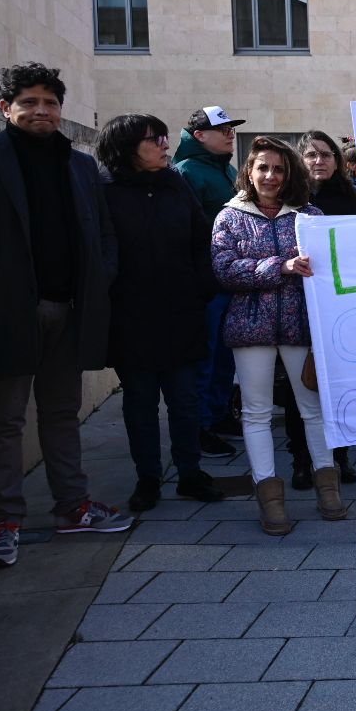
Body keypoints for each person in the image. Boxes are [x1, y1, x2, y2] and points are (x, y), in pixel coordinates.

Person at [0, 62, 132, 569]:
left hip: (69, 312)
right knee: (3, 420)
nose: (41, 111)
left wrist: (98, 281)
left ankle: (73, 507)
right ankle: (5, 520)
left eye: (49, 103)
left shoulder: (81, 166)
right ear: (6, 108)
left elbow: (105, 236)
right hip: (3, 320)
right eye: (29, 102)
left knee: (62, 415)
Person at [211, 136, 343, 535]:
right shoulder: (229, 218)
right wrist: (280, 267)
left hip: (301, 326)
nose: (270, 176)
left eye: (279, 169)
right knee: (256, 412)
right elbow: (224, 269)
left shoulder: (308, 215)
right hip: (251, 328)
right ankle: (270, 498)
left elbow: (334, 263)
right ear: (249, 172)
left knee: (313, 409)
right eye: (262, 167)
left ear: (290, 174)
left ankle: (328, 487)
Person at [97, 114, 225, 513]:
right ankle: (148, 478)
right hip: (131, 319)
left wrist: (203, 289)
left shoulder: (176, 185)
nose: (166, 145)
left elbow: (199, 241)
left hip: (182, 314)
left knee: (185, 400)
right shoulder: (106, 191)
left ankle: (189, 473)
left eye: (166, 138)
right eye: (156, 139)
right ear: (128, 147)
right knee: (140, 403)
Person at [276, 130, 356, 490]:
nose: (319, 161)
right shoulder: (286, 203)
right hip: (297, 308)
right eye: (312, 155)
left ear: (337, 161)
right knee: (299, 387)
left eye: (326, 155)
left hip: (341, 310)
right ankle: (301, 459)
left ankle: (339, 457)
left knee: (340, 386)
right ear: (300, 160)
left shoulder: (352, 200)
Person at [173, 105, 247, 459]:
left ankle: (218, 415)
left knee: (225, 355)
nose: (230, 134)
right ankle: (199, 427)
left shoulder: (226, 168)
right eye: (223, 129)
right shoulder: (186, 172)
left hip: (229, 279)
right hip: (205, 283)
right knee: (205, 357)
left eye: (232, 129)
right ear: (199, 135)